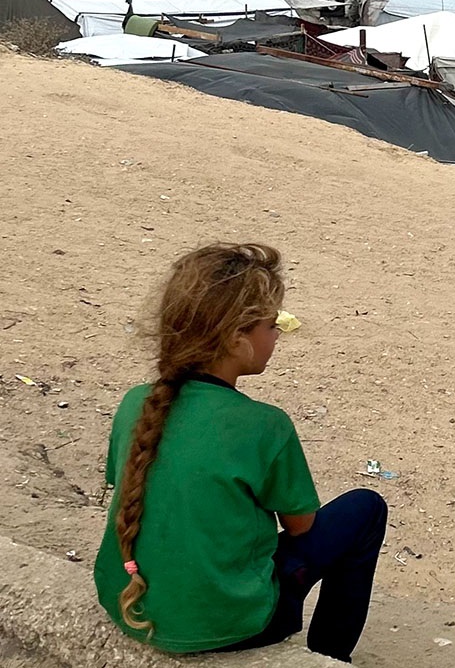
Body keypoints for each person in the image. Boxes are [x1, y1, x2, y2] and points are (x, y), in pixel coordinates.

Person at [94, 244, 386, 663]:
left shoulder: (135, 403)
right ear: (237, 339)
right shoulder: (265, 425)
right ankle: (330, 655)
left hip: (127, 600)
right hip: (232, 624)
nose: (278, 334)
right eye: (272, 325)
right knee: (366, 509)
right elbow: (302, 527)